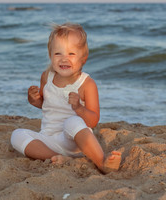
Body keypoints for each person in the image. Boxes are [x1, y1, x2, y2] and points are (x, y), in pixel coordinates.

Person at [10, 23, 121, 173]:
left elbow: (93, 120)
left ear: (83, 59)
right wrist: (33, 98)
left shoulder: (86, 84)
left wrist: (78, 108)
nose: (64, 59)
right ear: (50, 55)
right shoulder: (46, 77)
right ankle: (56, 157)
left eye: (71, 54)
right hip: (48, 139)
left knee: (73, 121)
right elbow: (44, 104)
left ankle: (102, 163)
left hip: (72, 140)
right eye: (58, 53)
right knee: (17, 135)